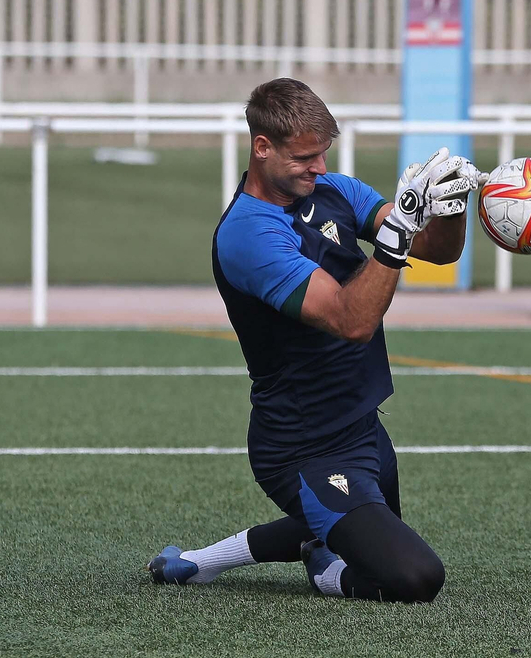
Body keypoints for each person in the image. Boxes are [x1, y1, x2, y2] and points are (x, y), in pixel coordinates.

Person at [147, 77, 481, 602]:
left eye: (323, 154)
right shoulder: (248, 234)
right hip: (303, 447)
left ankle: (196, 563)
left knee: (357, 535)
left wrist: (451, 205)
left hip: (363, 429)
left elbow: (439, 252)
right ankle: (323, 572)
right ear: (262, 148)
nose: (319, 168)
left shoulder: (337, 192)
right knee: (414, 577)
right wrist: (397, 236)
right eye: (305, 157)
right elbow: (352, 321)